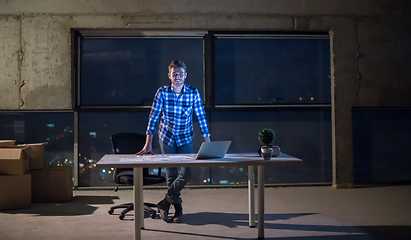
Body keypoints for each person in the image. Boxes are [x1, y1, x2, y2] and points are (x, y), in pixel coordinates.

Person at [136, 60, 211, 223]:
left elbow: (201, 116)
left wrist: (208, 141)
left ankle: (165, 202)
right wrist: (148, 143)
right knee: (172, 173)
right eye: (174, 74)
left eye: (181, 74)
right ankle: (177, 209)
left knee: (188, 172)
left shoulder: (193, 92)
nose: (178, 76)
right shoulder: (162, 92)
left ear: (185, 75)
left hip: (185, 136)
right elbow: (153, 117)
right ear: (169, 75)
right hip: (167, 136)